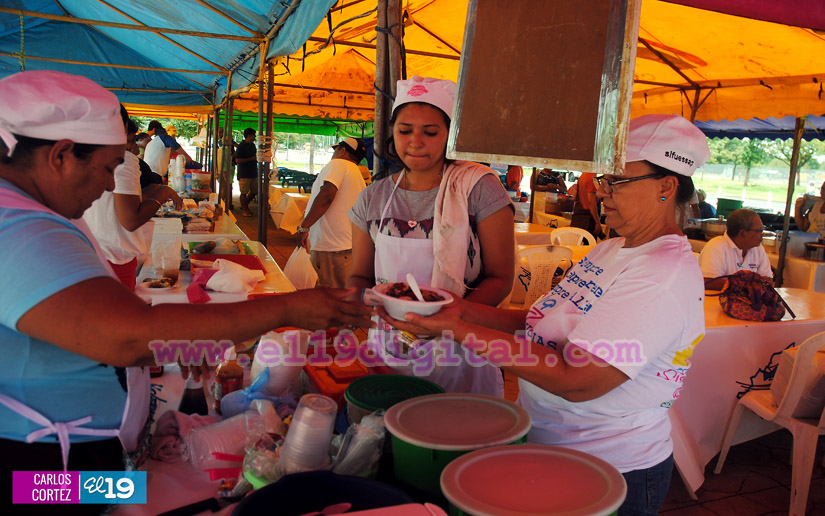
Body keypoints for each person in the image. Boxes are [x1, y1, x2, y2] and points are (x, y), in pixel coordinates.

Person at [0, 71, 373, 515]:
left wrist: (180, 338)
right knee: (166, 502)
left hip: (77, 453)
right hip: (40, 472)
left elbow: (89, 319)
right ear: (61, 155)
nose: (107, 186)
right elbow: (127, 336)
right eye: (106, 168)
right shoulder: (16, 226)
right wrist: (290, 306)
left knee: (167, 493)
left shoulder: (35, 211)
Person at [382, 114, 710, 516]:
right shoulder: (614, 248)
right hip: (552, 444)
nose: (600, 193)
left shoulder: (661, 274)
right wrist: (462, 310)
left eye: (616, 182)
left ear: (666, 186)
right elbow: (541, 321)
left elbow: (578, 378)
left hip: (609, 469)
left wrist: (458, 330)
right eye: (602, 180)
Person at [347, 75, 515, 395]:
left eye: (431, 132)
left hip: (463, 345)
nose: (415, 142)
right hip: (391, 341)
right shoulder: (372, 198)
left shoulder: (478, 188)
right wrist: (370, 308)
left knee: (455, 432)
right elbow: (358, 275)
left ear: (451, 136)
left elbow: (500, 277)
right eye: (405, 130)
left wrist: (450, 320)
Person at [83, 109, 182, 290]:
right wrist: (164, 192)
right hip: (114, 261)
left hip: (88, 256)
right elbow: (130, 220)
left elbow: (112, 202)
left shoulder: (83, 156)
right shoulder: (121, 159)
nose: (134, 148)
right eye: (130, 141)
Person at [298, 137, 367, 288]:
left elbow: (326, 196)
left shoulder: (338, 164)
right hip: (347, 246)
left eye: (336, 149)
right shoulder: (356, 172)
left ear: (342, 151)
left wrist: (304, 227)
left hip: (332, 247)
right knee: (342, 295)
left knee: (330, 296)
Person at [698, 208, 772, 290]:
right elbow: (708, 282)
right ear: (742, 233)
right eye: (759, 231)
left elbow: (768, 280)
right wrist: (745, 285)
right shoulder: (716, 246)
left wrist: (758, 283)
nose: (762, 235)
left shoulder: (758, 249)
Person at [233, 128, 258, 217]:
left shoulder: (253, 145)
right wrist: (251, 159)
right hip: (244, 172)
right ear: (248, 135)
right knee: (244, 192)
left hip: (254, 172)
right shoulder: (241, 146)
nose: (254, 137)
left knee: (255, 191)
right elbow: (238, 160)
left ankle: (245, 205)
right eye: (253, 135)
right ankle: (244, 209)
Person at [570, 171, 602, 238]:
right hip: (588, 220)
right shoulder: (592, 177)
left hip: (578, 218)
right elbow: (591, 201)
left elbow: (574, 197)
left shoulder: (582, 176)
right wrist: (597, 222)